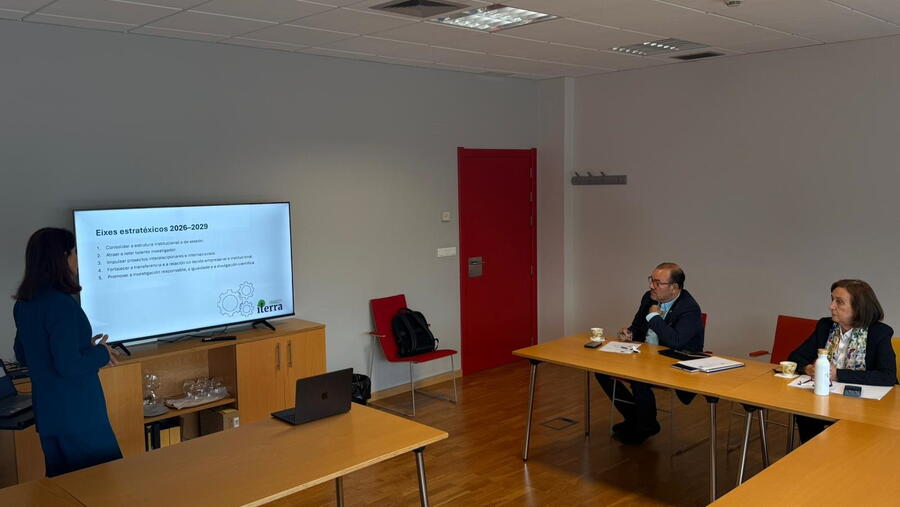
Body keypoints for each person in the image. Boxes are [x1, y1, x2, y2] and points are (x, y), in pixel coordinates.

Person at [12, 227, 122, 477]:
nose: (77, 260)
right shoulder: (61, 305)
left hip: (50, 416)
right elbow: (68, 366)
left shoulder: (25, 303)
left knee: (64, 491)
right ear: (63, 257)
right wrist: (102, 353)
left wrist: (84, 347)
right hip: (79, 415)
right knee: (102, 487)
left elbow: (24, 354)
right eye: (74, 253)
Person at [595, 262, 704, 445]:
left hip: (674, 362)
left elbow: (675, 341)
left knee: (639, 378)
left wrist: (654, 317)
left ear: (674, 287)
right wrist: (629, 333)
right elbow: (638, 325)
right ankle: (636, 419)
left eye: (657, 283)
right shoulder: (649, 298)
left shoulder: (689, 308)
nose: (651, 286)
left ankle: (645, 427)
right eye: (650, 280)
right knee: (602, 371)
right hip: (645, 356)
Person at [788, 279, 896, 443]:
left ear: (858, 307)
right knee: (806, 414)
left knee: (855, 440)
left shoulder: (879, 333)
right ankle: (813, 460)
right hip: (827, 400)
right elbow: (795, 357)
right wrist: (809, 368)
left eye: (839, 302)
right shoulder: (825, 326)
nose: (831, 306)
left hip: (865, 406)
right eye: (832, 300)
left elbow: (887, 377)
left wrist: (838, 374)